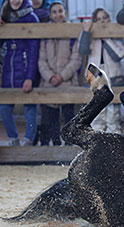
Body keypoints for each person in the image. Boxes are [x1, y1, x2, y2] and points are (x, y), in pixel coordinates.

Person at [36, 1, 80, 146]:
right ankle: (54, 145)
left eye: (60, 11)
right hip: (49, 81)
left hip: (67, 81)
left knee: (69, 116)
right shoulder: (45, 33)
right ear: (50, 14)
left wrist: (61, 76)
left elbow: (76, 59)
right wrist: (50, 76)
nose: (57, 14)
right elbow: (41, 59)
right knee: (50, 118)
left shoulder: (73, 31)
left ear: (65, 13)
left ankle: (68, 146)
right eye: (54, 12)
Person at [78, 8, 124, 135]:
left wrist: (107, 39)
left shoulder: (115, 36)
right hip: (95, 76)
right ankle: (98, 145)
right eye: (98, 19)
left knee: (113, 116)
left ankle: (115, 145)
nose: (102, 21)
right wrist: (86, 32)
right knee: (97, 114)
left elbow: (118, 54)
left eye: (105, 18)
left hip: (113, 77)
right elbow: (82, 50)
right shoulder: (90, 37)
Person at [0, 0, 40, 146]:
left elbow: (33, 51)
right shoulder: (4, 15)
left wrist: (30, 77)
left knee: (29, 107)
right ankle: (13, 139)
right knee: (4, 107)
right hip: (8, 68)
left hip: (24, 66)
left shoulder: (32, 17)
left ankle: (29, 140)